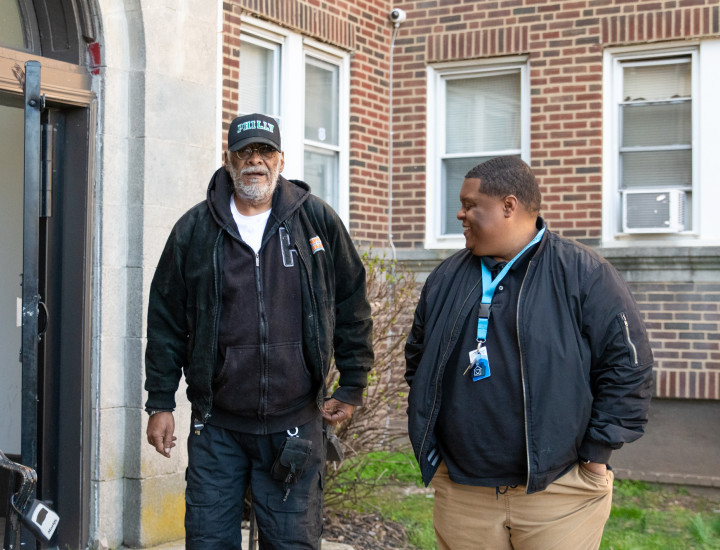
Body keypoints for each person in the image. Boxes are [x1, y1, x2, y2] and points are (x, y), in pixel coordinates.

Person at [144, 113, 373, 550]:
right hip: (217, 428)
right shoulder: (194, 229)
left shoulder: (316, 222)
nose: (256, 161)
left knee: (291, 544)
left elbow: (351, 304)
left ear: (281, 159)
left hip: (295, 425)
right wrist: (159, 400)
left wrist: (353, 382)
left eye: (265, 152)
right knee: (209, 541)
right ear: (227, 160)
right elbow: (166, 320)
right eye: (245, 152)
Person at [404, 156, 653, 550]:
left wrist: (595, 456)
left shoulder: (584, 273)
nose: (460, 214)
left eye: (470, 205)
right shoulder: (445, 278)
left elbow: (628, 368)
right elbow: (418, 361)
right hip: (463, 492)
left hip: (558, 493)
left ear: (508, 205)